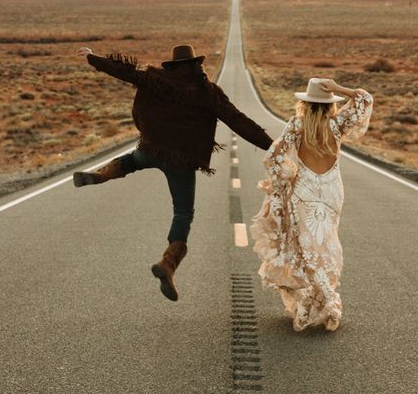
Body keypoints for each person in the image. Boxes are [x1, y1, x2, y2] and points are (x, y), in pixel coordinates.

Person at [74, 44, 273, 302]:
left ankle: (100, 175)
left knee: (132, 160)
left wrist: (92, 57)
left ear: (173, 65)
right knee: (182, 213)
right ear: (196, 65)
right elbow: (238, 120)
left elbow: (124, 72)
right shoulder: (208, 92)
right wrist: (272, 146)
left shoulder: (156, 78)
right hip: (182, 160)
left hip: (152, 148)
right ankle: (168, 264)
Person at [250, 77, 373, 332]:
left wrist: (285, 179)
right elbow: (364, 99)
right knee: (327, 245)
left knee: (306, 249)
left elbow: (273, 157)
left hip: (304, 191)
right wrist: (339, 88)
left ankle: (320, 300)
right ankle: (323, 300)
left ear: (305, 104)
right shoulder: (338, 124)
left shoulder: (297, 125)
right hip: (330, 192)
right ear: (330, 105)